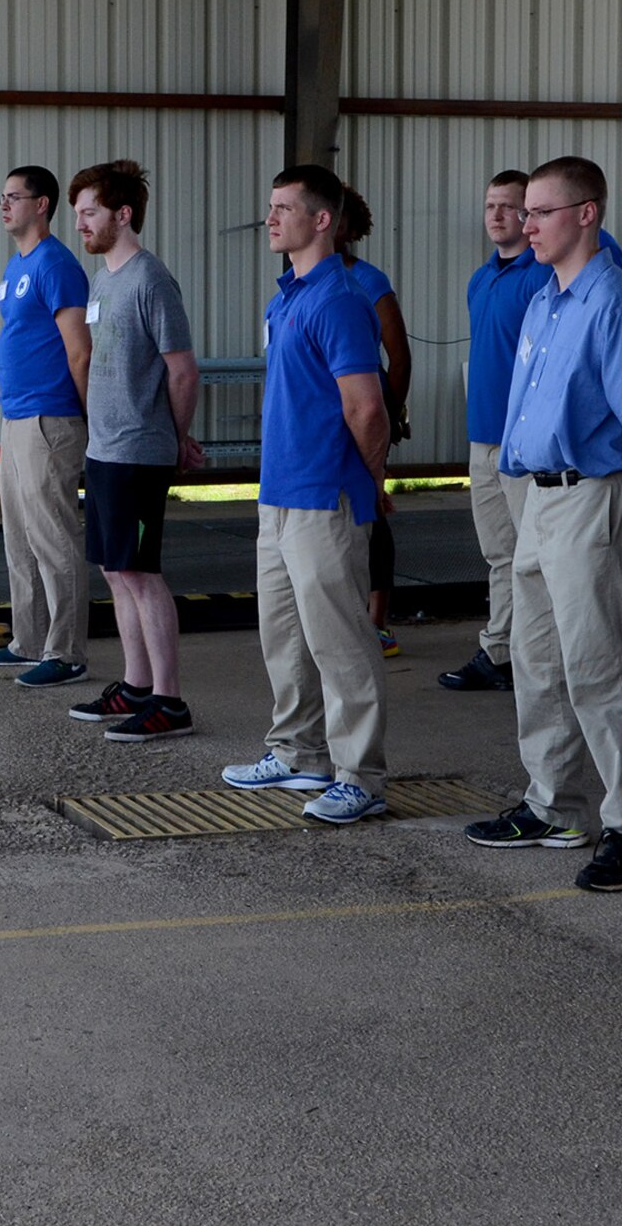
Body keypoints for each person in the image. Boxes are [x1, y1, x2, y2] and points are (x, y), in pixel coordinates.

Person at [461, 156, 622, 892]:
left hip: (591, 494)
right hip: (540, 499)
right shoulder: (545, 300)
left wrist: (614, 442)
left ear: (587, 213)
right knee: (540, 659)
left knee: (599, 664)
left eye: (541, 212)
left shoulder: (611, 299)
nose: (528, 225)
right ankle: (552, 805)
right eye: (525, 213)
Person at [221, 164, 390, 824]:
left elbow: (367, 408)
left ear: (322, 220)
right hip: (281, 495)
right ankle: (297, 751)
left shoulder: (339, 300)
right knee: (284, 635)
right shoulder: (287, 297)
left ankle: (361, 774)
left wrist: (369, 480)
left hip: (325, 497)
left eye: (284, 208)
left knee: (340, 641)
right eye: (271, 206)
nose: (270, 218)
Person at [440, 173, 622, 692]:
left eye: (517, 208)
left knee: (542, 556)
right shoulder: (483, 279)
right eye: (491, 206)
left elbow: (596, 253)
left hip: (532, 444)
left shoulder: (545, 277)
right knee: (502, 555)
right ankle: (501, 650)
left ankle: (555, 659)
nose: (501, 216)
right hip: (485, 437)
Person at [62, 160, 203, 739]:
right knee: (116, 571)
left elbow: (183, 371)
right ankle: (136, 685)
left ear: (123, 215)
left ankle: (169, 701)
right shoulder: (102, 281)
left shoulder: (150, 280)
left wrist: (175, 438)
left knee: (141, 572)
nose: (81, 225)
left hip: (140, 451)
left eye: (89, 213)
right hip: (104, 449)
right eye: (77, 215)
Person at [0, 165, 94, 690]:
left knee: (54, 535)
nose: (4, 205)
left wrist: (83, 417)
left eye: (15, 197)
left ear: (43, 204)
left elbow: (79, 349)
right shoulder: (15, 266)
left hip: (50, 416)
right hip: (18, 418)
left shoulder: (57, 265)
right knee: (20, 536)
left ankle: (67, 651)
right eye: (2, 197)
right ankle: (27, 639)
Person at [335, 187, 410, 658]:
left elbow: (398, 356)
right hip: (327, 417)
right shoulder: (300, 280)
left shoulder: (368, 280)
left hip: (365, 406)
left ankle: (378, 620)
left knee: (373, 509)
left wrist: (391, 412)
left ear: (345, 227)